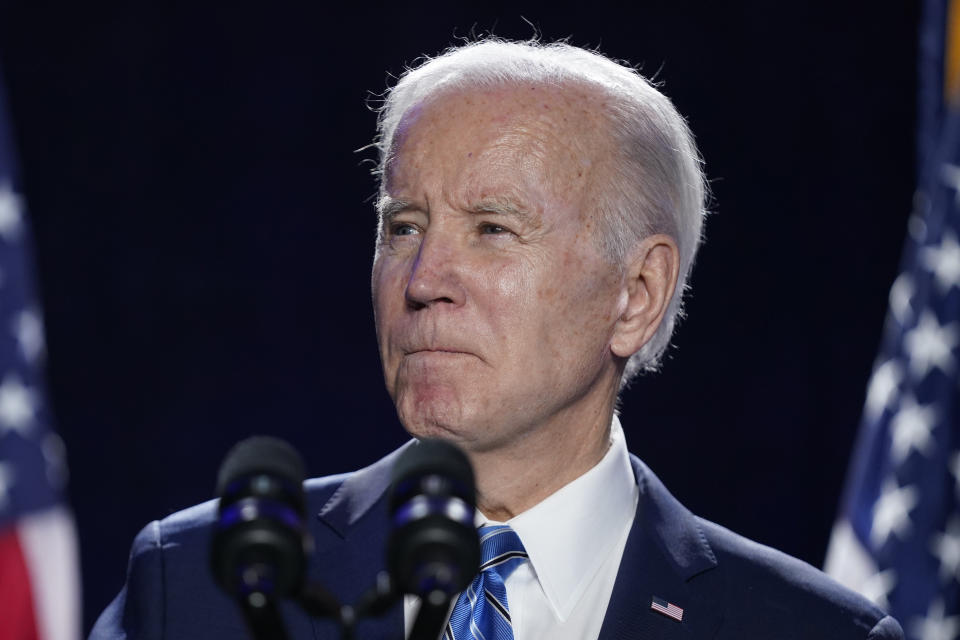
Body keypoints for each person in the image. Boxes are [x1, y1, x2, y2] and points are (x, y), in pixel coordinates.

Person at [90, 39, 904, 640]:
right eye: (404, 226)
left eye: (492, 229)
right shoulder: (195, 586)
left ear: (637, 294)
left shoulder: (806, 631)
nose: (423, 278)